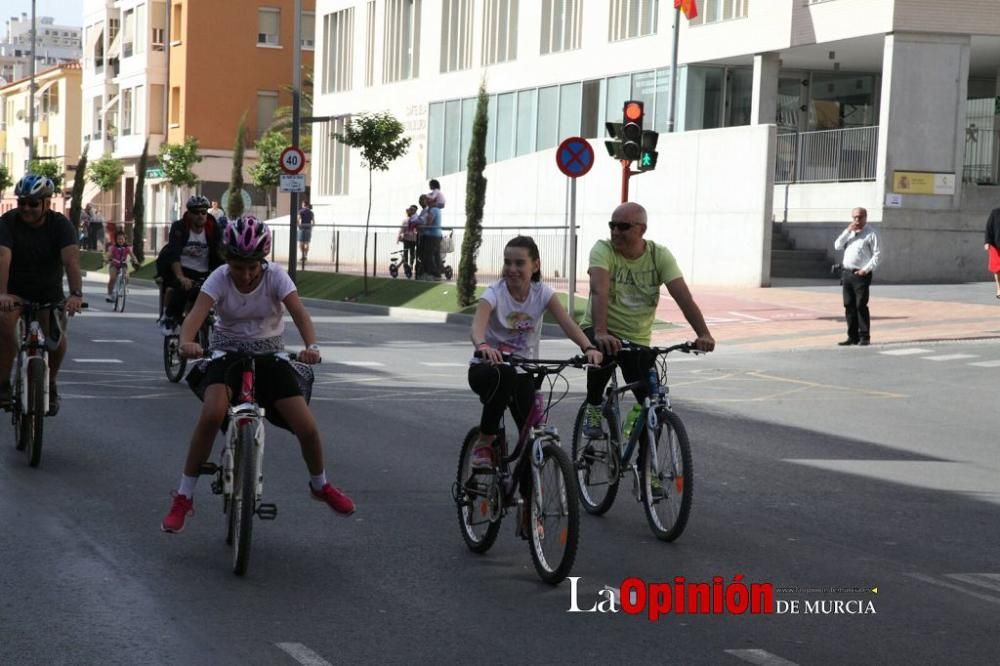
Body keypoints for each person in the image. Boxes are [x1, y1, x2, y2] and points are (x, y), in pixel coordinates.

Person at [161, 216, 355, 533]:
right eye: (239, 267)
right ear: (228, 261)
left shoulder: (277, 277)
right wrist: (187, 343)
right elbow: (195, 316)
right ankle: (184, 497)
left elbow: (300, 314)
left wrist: (312, 346)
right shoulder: (219, 278)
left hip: (269, 355)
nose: (246, 274)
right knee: (211, 414)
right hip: (226, 353)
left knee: (306, 426)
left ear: (262, 261)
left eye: (253, 266)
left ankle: (320, 485)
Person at [580, 202, 715, 438]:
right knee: (604, 349)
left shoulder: (658, 255)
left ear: (642, 230)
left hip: (636, 338)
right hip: (600, 327)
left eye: (623, 227)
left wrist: (703, 333)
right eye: (612, 225)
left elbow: (683, 296)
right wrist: (601, 332)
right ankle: (593, 406)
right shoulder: (603, 249)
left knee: (652, 404)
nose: (615, 232)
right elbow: (599, 290)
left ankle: (647, 470)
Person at [468, 235, 602, 468]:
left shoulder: (543, 294)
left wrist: (588, 347)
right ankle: (484, 442)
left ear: (535, 265)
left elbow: (568, 324)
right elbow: (476, 329)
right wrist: (483, 346)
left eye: (519, 263)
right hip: (486, 369)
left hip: (523, 372)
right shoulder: (494, 293)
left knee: (530, 439)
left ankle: (528, 500)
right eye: (507, 262)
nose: (512, 269)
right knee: (505, 375)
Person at [0, 174, 84, 414]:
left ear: (47, 203)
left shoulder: (60, 225)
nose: (26, 208)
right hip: (14, 293)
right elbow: (2, 258)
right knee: (4, 326)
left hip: (48, 293)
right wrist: (2, 294)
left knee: (56, 342)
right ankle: (3, 383)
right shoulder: (7, 222)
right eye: (22, 202)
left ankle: (51, 382)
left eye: (33, 203)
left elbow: (71, 261)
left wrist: (75, 294)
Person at [156, 194, 224, 334]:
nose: (200, 215)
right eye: (195, 212)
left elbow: (221, 253)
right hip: (183, 270)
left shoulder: (213, 227)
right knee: (181, 289)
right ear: (189, 214)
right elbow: (174, 254)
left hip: (205, 271)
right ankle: (170, 317)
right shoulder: (179, 227)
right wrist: (181, 277)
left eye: (203, 212)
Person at [834, 206, 881, 346]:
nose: (857, 220)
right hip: (847, 273)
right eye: (854, 217)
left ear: (865, 218)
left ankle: (864, 336)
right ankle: (852, 336)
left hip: (861, 274)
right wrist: (848, 231)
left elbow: (877, 255)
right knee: (849, 305)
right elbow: (837, 245)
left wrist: (865, 270)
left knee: (860, 305)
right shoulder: (849, 232)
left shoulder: (871, 234)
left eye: (860, 217)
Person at [104, 229, 138, 302]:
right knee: (112, 278)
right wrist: (107, 259)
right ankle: (109, 294)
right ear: (116, 240)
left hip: (123, 264)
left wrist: (135, 260)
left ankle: (124, 288)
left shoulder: (127, 248)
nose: (120, 241)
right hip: (114, 264)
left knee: (126, 276)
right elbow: (109, 254)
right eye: (119, 239)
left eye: (122, 239)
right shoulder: (113, 247)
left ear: (124, 239)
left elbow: (132, 255)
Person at [417, 194, 442, 280]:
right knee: (432, 255)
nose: (426, 201)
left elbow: (428, 223)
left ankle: (434, 274)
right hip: (434, 235)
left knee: (428, 255)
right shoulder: (435, 210)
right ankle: (432, 273)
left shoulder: (433, 210)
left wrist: (421, 228)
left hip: (431, 236)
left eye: (428, 200)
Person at [397, 204, 419, 270]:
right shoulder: (405, 220)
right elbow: (401, 229)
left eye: (413, 210)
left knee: (412, 253)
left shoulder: (417, 219)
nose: (411, 211)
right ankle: (406, 266)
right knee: (406, 252)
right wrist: (399, 236)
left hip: (414, 239)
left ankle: (411, 265)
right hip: (406, 239)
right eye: (410, 210)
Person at [985, 207, 1000, 298]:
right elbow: (988, 228)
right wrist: (987, 242)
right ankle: (999, 289)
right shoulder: (995, 212)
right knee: (997, 269)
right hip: (995, 245)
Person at [298, 202, 314, 267]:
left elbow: (298, 219)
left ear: (304, 205)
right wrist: (311, 227)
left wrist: (298, 225)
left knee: (301, 243)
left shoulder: (300, 211)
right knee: (307, 243)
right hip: (308, 228)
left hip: (302, 228)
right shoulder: (311, 212)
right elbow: (313, 221)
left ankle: (303, 255)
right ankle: (305, 255)